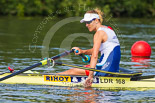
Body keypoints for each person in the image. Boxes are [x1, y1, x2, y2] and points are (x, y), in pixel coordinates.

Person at [57, 8, 121, 87]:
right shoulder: (109, 29)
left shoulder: (99, 33)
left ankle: (46, 78)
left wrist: (90, 76)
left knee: (71, 71)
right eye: (85, 22)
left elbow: (94, 55)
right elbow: (99, 50)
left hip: (104, 69)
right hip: (113, 68)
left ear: (96, 20)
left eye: (88, 22)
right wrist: (82, 51)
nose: (86, 25)